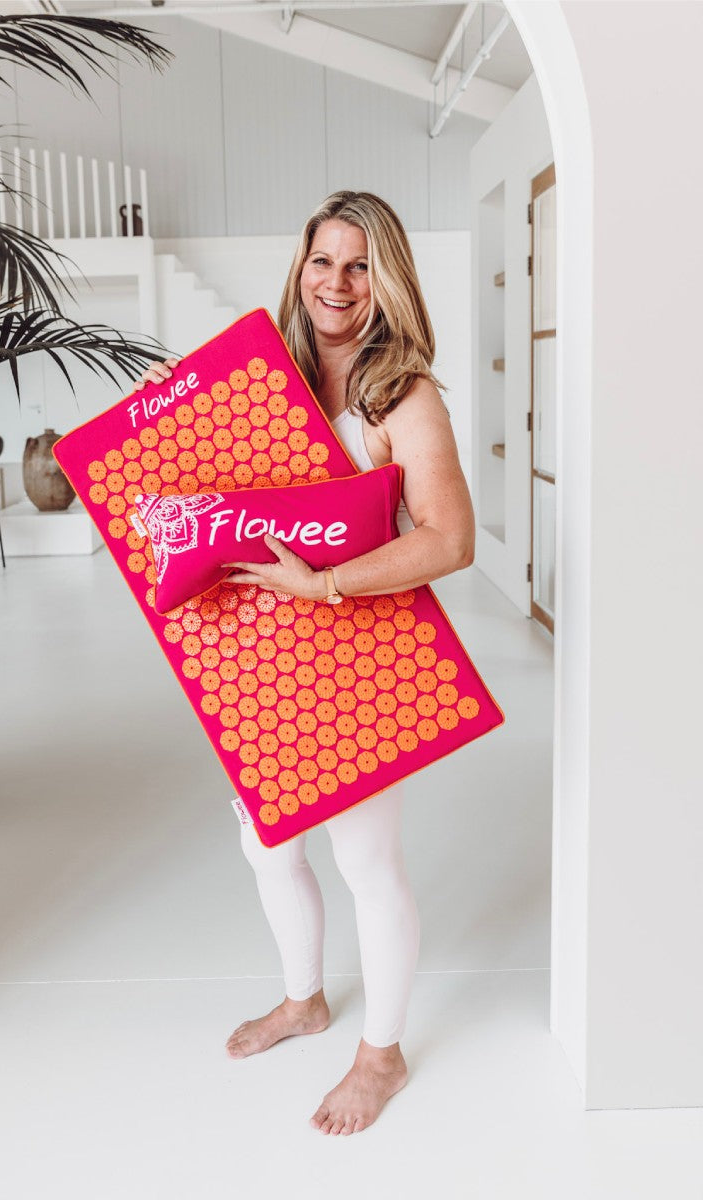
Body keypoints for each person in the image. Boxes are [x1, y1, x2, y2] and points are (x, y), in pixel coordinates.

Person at [134, 191, 475, 1136]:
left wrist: (322, 584)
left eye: (360, 266)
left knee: (365, 857)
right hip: (261, 658)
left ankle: (383, 1054)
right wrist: (166, 412)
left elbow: (450, 540)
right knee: (268, 841)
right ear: (300, 268)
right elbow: (201, 496)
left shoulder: (400, 396)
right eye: (323, 261)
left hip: (360, 655)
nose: (338, 282)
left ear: (387, 279)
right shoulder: (262, 379)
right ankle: (304, 1000)